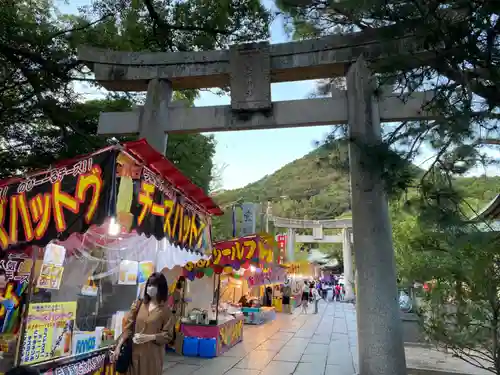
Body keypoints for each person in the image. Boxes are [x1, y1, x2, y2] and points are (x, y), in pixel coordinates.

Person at [111, 272, 174, 375]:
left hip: (152, 358)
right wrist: (118, 346)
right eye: (149, 285)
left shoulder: (165, 311)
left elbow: (168, 335)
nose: (150, 288)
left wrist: (150, 337)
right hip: (135, 355)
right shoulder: (139, 305)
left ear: (161, 288)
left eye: (154, 285)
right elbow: (128, 328)